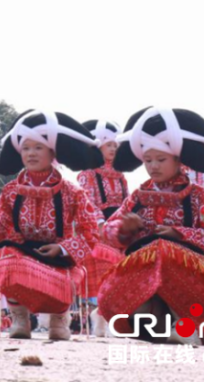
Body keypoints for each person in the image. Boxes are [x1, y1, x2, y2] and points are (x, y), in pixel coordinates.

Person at [99, 107, 204, 345]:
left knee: (165, 252)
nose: (153, 166)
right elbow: (107, 232)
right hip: (148, 273)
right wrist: (124, 229)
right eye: (148, 160)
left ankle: (186, 324)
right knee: (122, 278)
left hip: (195, 275)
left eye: (161, 160)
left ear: (177, 159)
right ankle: (154, 320)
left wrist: (179, 234)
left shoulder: (197, 195)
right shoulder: (138, 197)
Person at [0, 111, 102, 341]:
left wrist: (63, 249)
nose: (31, 153)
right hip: (22, 253)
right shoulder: (10, 191)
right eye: (26, 148)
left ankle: (59, 318)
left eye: (38, 147)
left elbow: (90, 231)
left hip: (59, 257)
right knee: (5, 256)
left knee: (65, 285)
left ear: (52, 152)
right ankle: (20, 318)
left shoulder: (72, 191)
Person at [76, 119, 128, 336]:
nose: (113, 149)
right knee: (103, 277)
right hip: (98, 230)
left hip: (120, 231)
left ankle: (104, 315)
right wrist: (99, 225)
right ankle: (100, 317)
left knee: (119, 277)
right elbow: (87, 201)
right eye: (109, 145)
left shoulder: (122, 177)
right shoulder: (88, 174)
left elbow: (127, 203)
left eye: (116, 145)